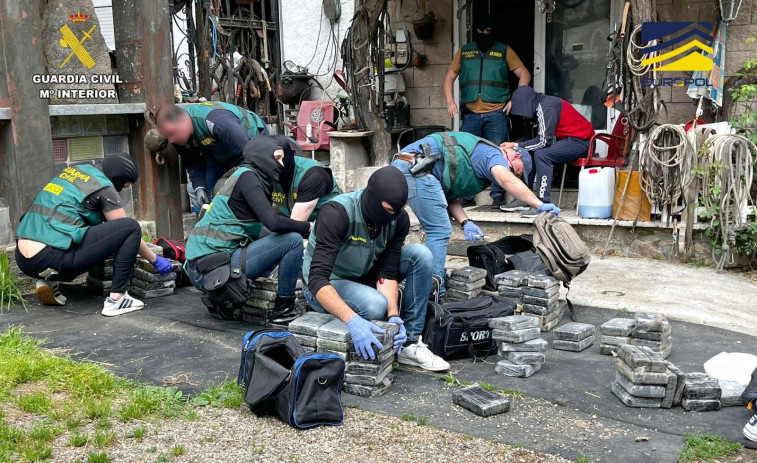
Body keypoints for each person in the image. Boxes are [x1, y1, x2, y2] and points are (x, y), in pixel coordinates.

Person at [302, 167, 449, 371]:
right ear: (373, 200)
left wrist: (393, 316)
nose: (393, 216)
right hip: (324, 285)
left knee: (420, 255)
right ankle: (369, 314)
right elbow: (317, 279)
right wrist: (352, 321)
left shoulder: (398, 219)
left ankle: (410, 343)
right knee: (374, 305)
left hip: (364, 275)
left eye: (398, 211)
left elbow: (387, 272)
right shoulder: (337, 213)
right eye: (389, 210)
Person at [391, 131, 559, 293]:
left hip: (406, 166)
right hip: (416, 167)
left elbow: (448, 195)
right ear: (515, 156)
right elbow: (506, 179)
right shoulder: (493, 155)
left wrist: (465, 222)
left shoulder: (479, 160)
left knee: (393, 227)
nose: (516, 176)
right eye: (518, 171)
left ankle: (393, 278)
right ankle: (434, 289)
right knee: (439, 230)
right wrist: (539, 204)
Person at [15, 155, 173, 316]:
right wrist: (154, 259)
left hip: (23, 259)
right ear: (118, 178)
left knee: (71, 230)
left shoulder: (74, 171)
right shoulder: (104, 188)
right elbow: (125, 230)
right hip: (52, 258)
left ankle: (48, 279)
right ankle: (117, 300)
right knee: (131, 227)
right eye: (125, 185)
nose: (123, 189)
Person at [184, 137, 311, 324]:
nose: (281, 164)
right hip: (210, 271)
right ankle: (284, 310)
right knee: (292, 241)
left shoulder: (246, 176)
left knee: (274, 238)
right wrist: (307, 227)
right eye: (277, 158)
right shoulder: (248, 178)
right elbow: (273, 222)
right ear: (262, 156)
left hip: (206, 266)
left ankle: (224, 299)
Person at [443, 18, 531, 208]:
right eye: (480, 31)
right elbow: (449, 77)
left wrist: (516, 98)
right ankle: (467, 196)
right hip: (471, 114)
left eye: (488, 31)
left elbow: (524, 73)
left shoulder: (503, 50)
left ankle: (497, 195)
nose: (484, 35)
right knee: (465, 154)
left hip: (496, 113)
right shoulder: (465, 51)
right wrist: (450, 101)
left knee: (499, 153)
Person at [154, 101, 267, 213]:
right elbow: (191, 161)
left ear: (183, 120)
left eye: (172, 133)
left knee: (248, 191)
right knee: (207, 195)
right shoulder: (178, 137)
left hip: (250, 142)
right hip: (219, 150)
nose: (171, 140)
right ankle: (206, 228)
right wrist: (199, 187)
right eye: (167, 136)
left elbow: (247, 156)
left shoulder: (218, 122)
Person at [499, 86, 595, 216]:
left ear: (525, 104)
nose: (521, 114)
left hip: (582, 142)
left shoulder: (547, 107)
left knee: (542, 154)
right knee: (528, 151)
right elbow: (530, 138)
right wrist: (513, 147)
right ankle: (525, 198)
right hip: (567, 140)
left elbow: (543, 141)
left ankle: (542, 203)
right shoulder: (535, 106)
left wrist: (516, 144)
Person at [244, 135, 340, 222]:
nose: (277, 163)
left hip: (325, 228)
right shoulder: (267, 172)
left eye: (279, 157)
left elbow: (296, 224)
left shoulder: (313, 174)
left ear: (287, 154)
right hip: (291, 222)